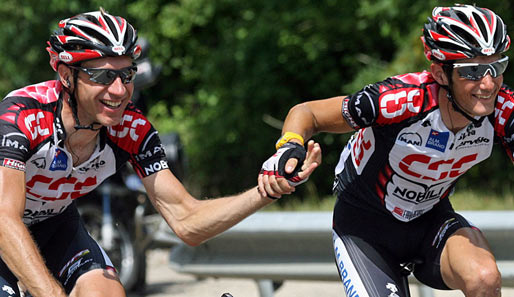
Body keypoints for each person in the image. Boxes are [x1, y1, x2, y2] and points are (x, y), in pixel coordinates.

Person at [0, 9, 320, 297]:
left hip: (55, 223)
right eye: (102, 76)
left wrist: (265, 191)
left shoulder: (131, 130)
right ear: (67, 76)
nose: (118, 90)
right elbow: (4, 217)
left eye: (126, 75)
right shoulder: (21, 118)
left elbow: (187, 222)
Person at [259, 4, 513, 297]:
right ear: (440, 74)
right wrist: (289, 146)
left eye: (497, 67)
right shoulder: (399, 101)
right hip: (366, 228)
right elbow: (309, 113)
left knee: (484, 278)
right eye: (473, 71)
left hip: (430, 221)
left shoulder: (503, 112)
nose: (488, 83)